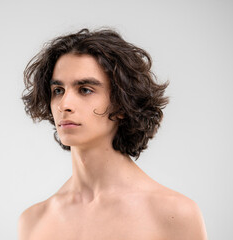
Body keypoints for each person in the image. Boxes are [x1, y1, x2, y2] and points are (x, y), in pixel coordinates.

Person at [18, 28, 207, 240]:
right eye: (58, 91)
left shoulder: (175, 215)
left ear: (122, 104)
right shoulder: (34, 222)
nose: (64, 104)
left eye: (85, 90)